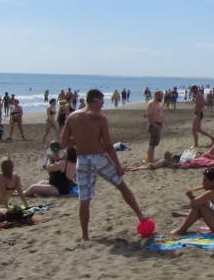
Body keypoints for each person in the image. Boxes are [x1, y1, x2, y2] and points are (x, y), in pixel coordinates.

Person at [60, 89, 148, 241]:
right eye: (101, 102)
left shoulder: (72, 117)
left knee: (84, 199)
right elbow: (108, 145)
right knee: (121, 186)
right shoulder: (99, 118)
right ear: (94, 100)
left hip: (82, 159)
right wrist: (118, 166)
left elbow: (64, 141)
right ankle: (141, 216)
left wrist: (79, 142)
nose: (102, 105)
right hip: (98, 158)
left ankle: (85, 236)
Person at [170, 167, 214, 236]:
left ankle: (181, 230)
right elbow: (211, 206)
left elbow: (193, 204)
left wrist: (190, 196)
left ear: (213, 182)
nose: (203, 183)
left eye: (205, 181)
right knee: (202, 205)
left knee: (200, 206)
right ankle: (182, 229)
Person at [145, 90, 164, 163]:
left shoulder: (158, 103)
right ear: (156, 95)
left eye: (162, 95)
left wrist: (161, 124)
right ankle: (149, 160)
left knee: (155, 143)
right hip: (154, 125)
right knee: (152, 143)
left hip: (158, 124)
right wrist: (153, 124)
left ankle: (150, 158)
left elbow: (159, 114)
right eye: (160, 95)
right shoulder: (151, 103)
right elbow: (149, 115)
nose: (161, 97)